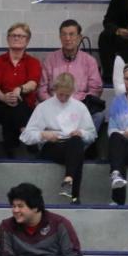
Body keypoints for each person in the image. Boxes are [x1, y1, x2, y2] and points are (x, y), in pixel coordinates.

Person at [20, 72, 96, 203]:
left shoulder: (79, 107)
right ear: (54, 90)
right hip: (51, 146)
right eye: (61, 94)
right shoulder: (43, 107)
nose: (63, 97)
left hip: (72, 144)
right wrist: (43, 134)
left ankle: (69, 178)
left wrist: (81, 133)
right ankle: (75, 196)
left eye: (67, 95)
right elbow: (26, 136)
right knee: (77, 153)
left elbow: (92, 134)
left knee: (76, 143)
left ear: (73, 91)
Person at [0, 23, 41, 158]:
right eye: (13, 35)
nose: (17, 38)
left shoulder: (33, 62)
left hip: (25, 105)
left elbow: (33, 84)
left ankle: (9, 147)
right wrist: (4, 97)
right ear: (8, 39)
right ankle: (27, 133)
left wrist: (19, 90)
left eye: (21, 36)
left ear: (27, 40)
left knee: (16, 106)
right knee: (10, 106)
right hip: (0, 104)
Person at [37, 20, 103, 113]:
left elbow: (96, 90)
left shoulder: (89, 61)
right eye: (64, 34)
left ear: (79, 37)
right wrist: (54, 104)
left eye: (71, 34)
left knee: (99, 116)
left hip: (80, 107)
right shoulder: (50, 60)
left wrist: (75, 104)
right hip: (53, 108)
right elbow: (41, 90)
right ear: (60, 37)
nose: (67, 38)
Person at [107, 64, 128, 205]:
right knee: (115, 137)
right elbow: (112, 129)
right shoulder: (117, 101)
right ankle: (116, 175)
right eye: (127, 79)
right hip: (125, 147)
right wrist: (124, 133)